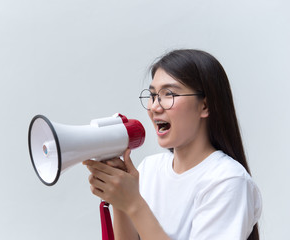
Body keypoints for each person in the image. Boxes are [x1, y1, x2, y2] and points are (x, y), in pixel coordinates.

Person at [83, 49, 262, 240]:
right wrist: (119, 200)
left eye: (168, 94)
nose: (154, 107)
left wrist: (133, 203)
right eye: (153, 96)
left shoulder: (228, 181)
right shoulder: (149, 170)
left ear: (205, 106)